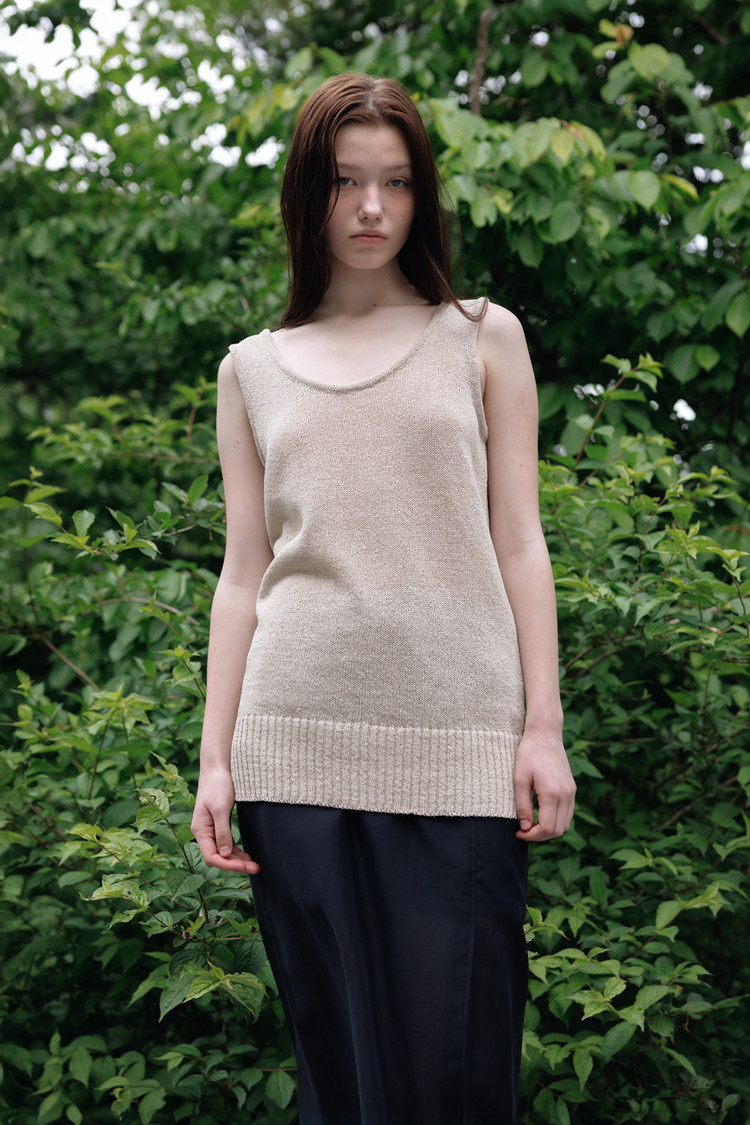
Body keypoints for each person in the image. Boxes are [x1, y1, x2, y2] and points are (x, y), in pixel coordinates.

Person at [191, 71, 575, 1125]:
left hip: (462, 746)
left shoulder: (482, 335)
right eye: (344, 181)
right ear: (305, 193)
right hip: (293, 754)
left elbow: (520, 541)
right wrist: (217, 760)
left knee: (462, 1075)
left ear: (422, 194)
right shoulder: (251, 370)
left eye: (396, 182)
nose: (371, 208)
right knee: (342, 1085)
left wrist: (542, 728)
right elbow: (243, 572)